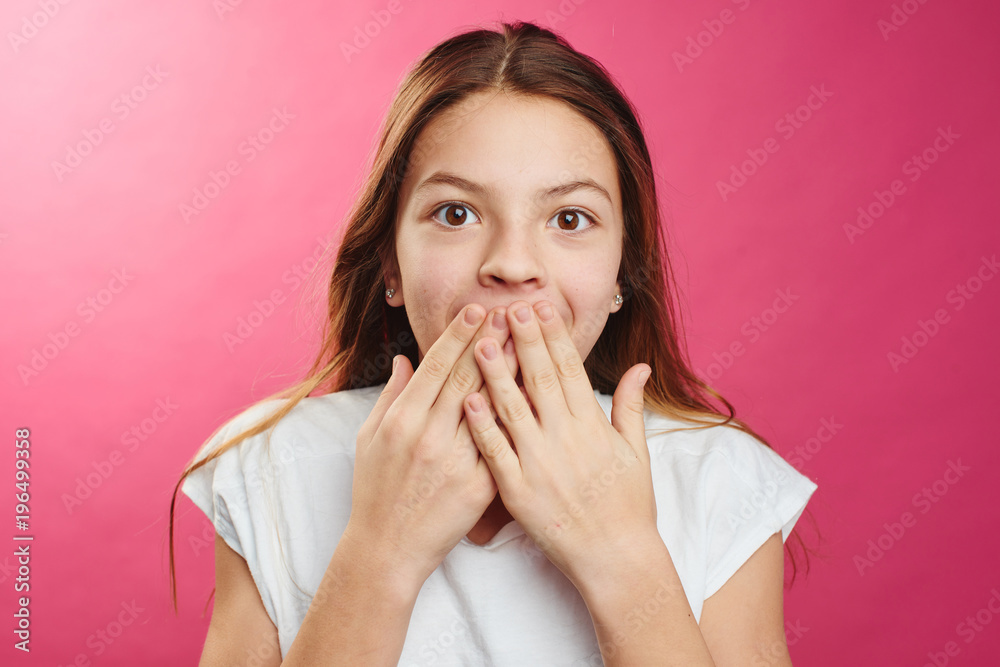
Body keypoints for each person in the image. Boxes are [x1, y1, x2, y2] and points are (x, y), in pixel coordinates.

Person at [169, 19, 818, 666]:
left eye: (569, 219)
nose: (512, 263)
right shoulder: (273, 463)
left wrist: (622, 554)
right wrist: (379, 551)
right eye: (456, 213)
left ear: (622, 273)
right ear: (390, 265)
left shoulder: (720, 479)